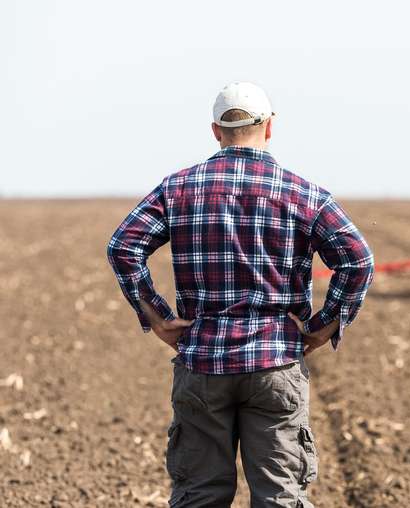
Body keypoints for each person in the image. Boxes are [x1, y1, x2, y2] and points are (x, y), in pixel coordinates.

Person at [106, 81, 374, 507]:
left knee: (199, 495)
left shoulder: (178, 189)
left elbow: (124, 246)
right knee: (279, 497)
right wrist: (324, 327)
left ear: (215, 131)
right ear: (270, 127)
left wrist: (156, 316)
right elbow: (357, 260)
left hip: (203, 363)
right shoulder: (305, 194)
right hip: (276, 364)